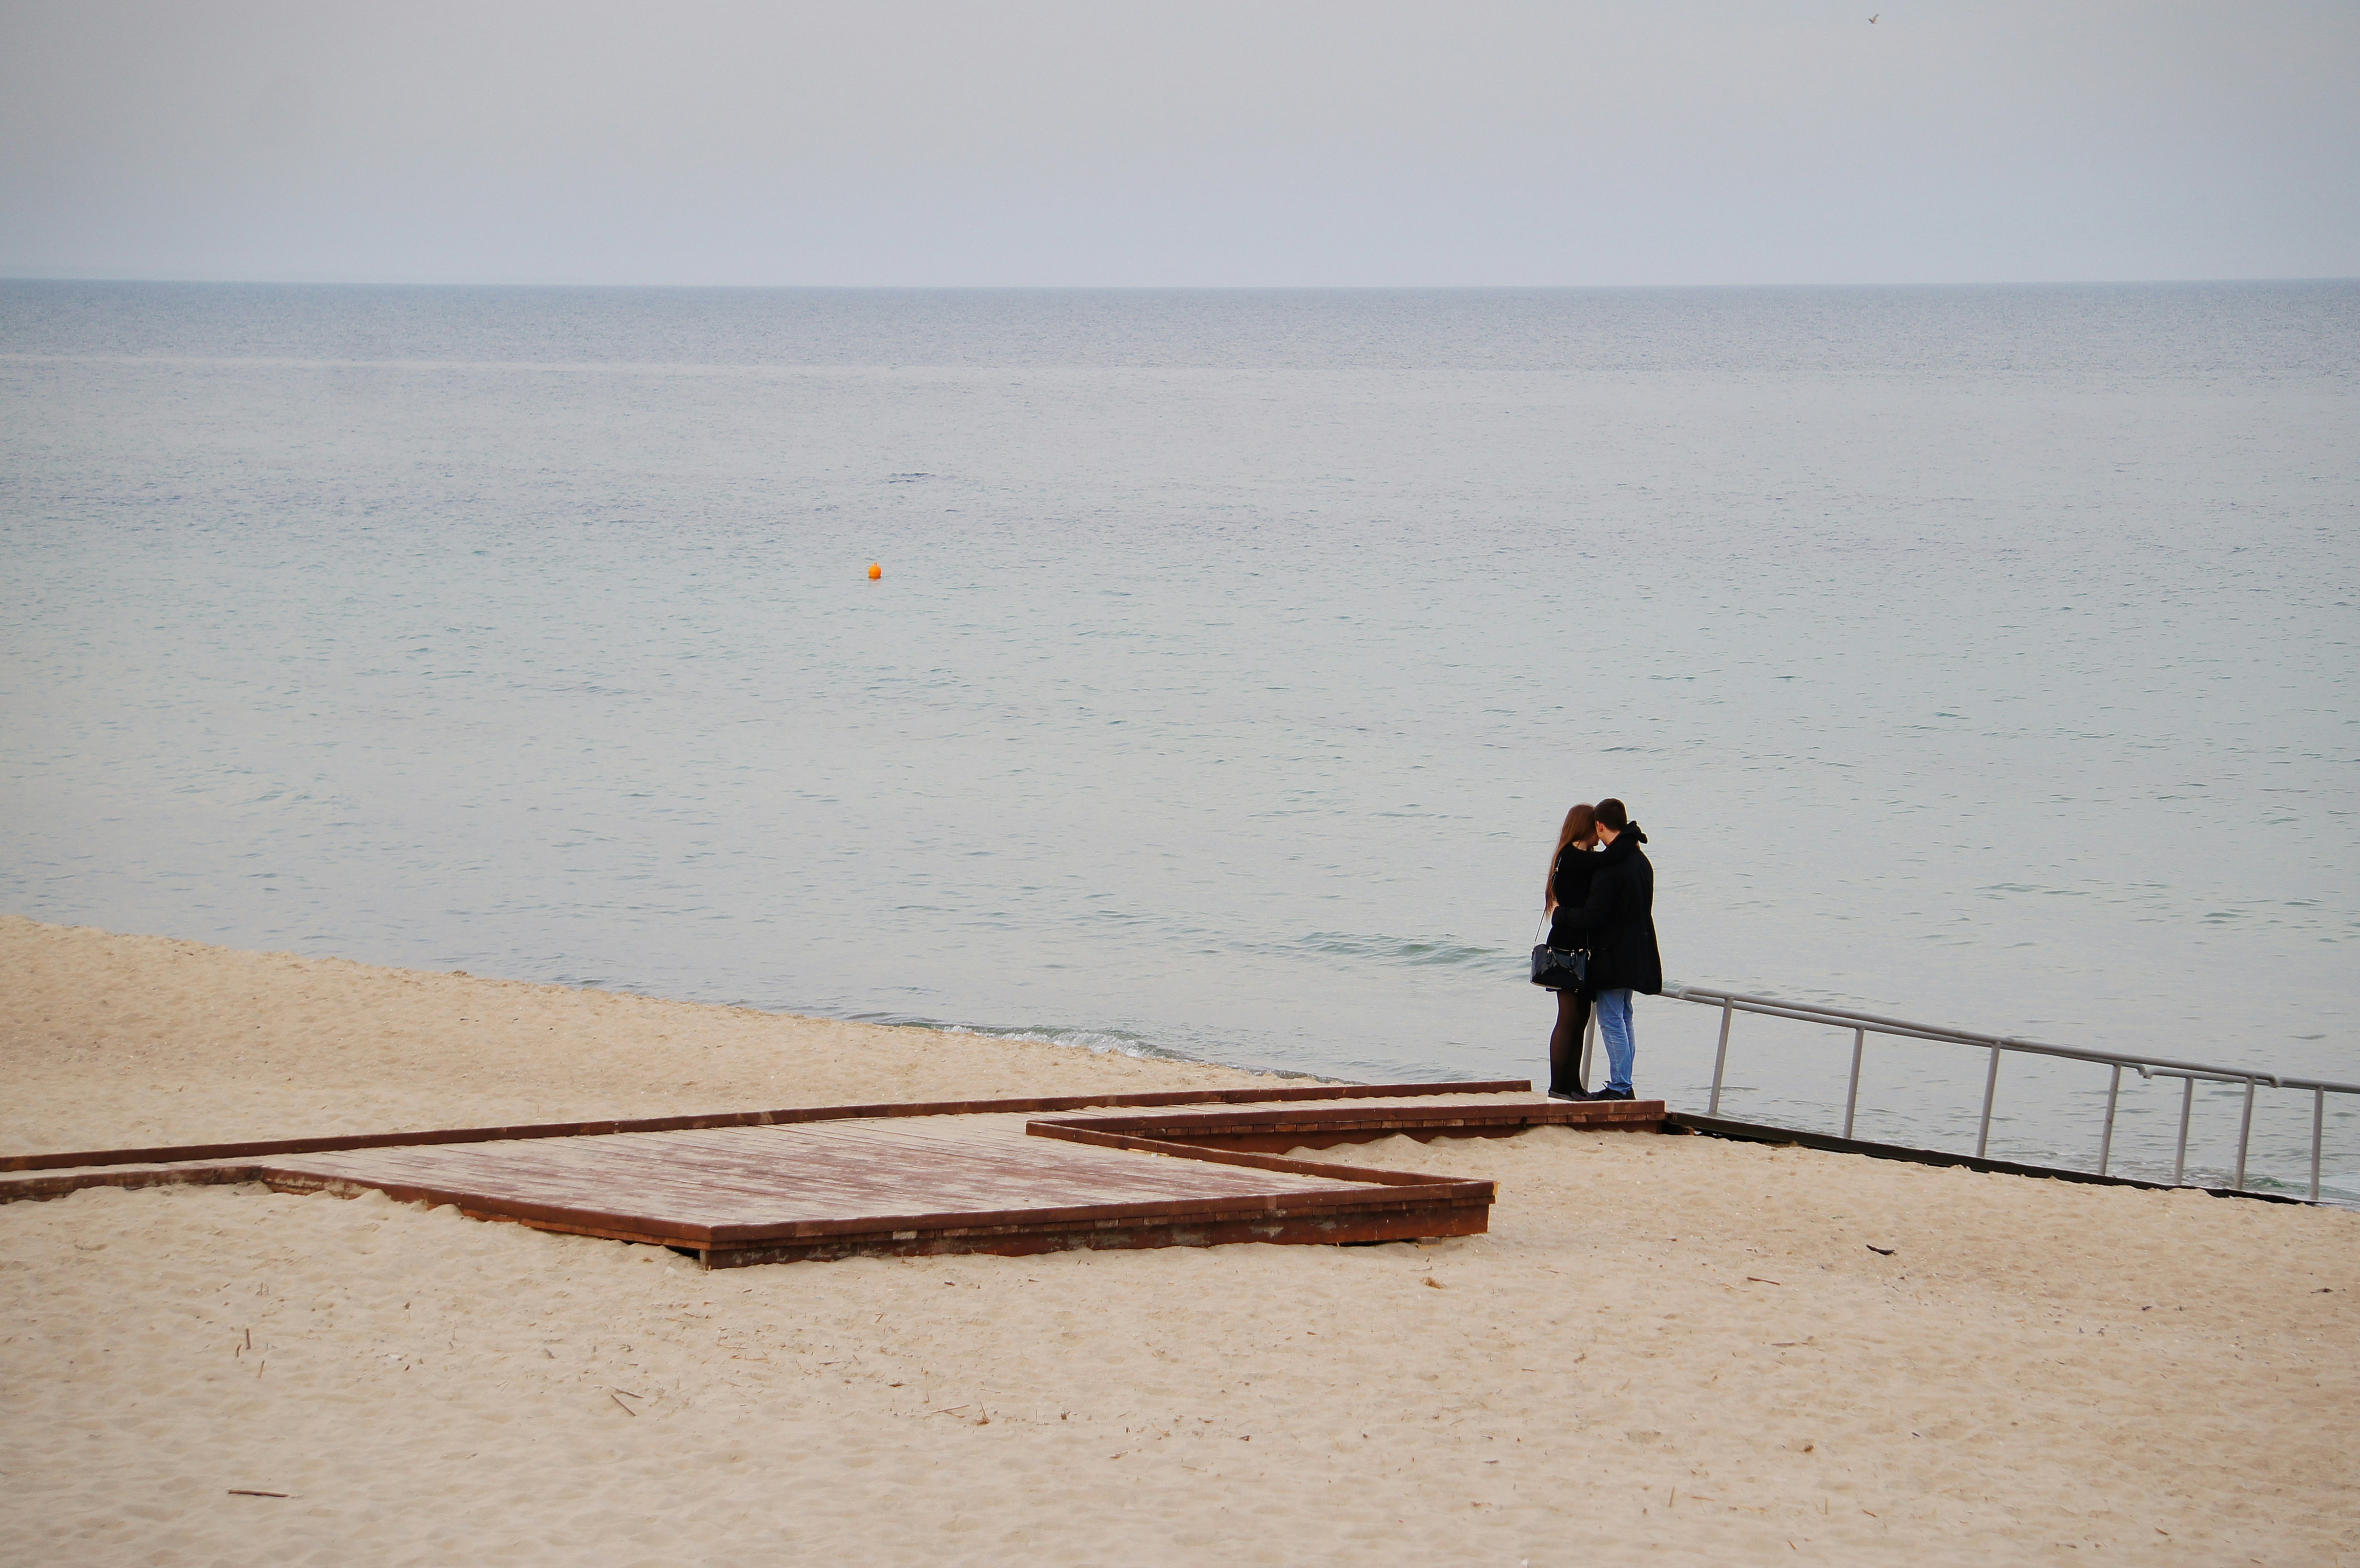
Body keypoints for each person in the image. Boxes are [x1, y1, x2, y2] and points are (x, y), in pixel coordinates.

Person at [1550, 797, 1661, 1101]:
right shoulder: (1640, 861)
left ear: (1600, 826)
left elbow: (1594, 915)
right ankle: (1597, 1085)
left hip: (1613, 955)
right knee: (1622, 1016)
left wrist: (1560, 914)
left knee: (1612, 1018)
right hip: (1635, 951)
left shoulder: (1611, 864)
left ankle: (1620, 1086)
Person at [1540, 804, 1602, 1100]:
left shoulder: (1575, 858)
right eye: (1596, 826)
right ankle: (1559, 1086)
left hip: (1579, 943)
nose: (1600, 832)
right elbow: (1607, 861)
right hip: (1567, 944)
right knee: (1568, 1015)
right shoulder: (1572, 857)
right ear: (1585, 827)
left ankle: (1573, 1085)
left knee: (1580, 1016)